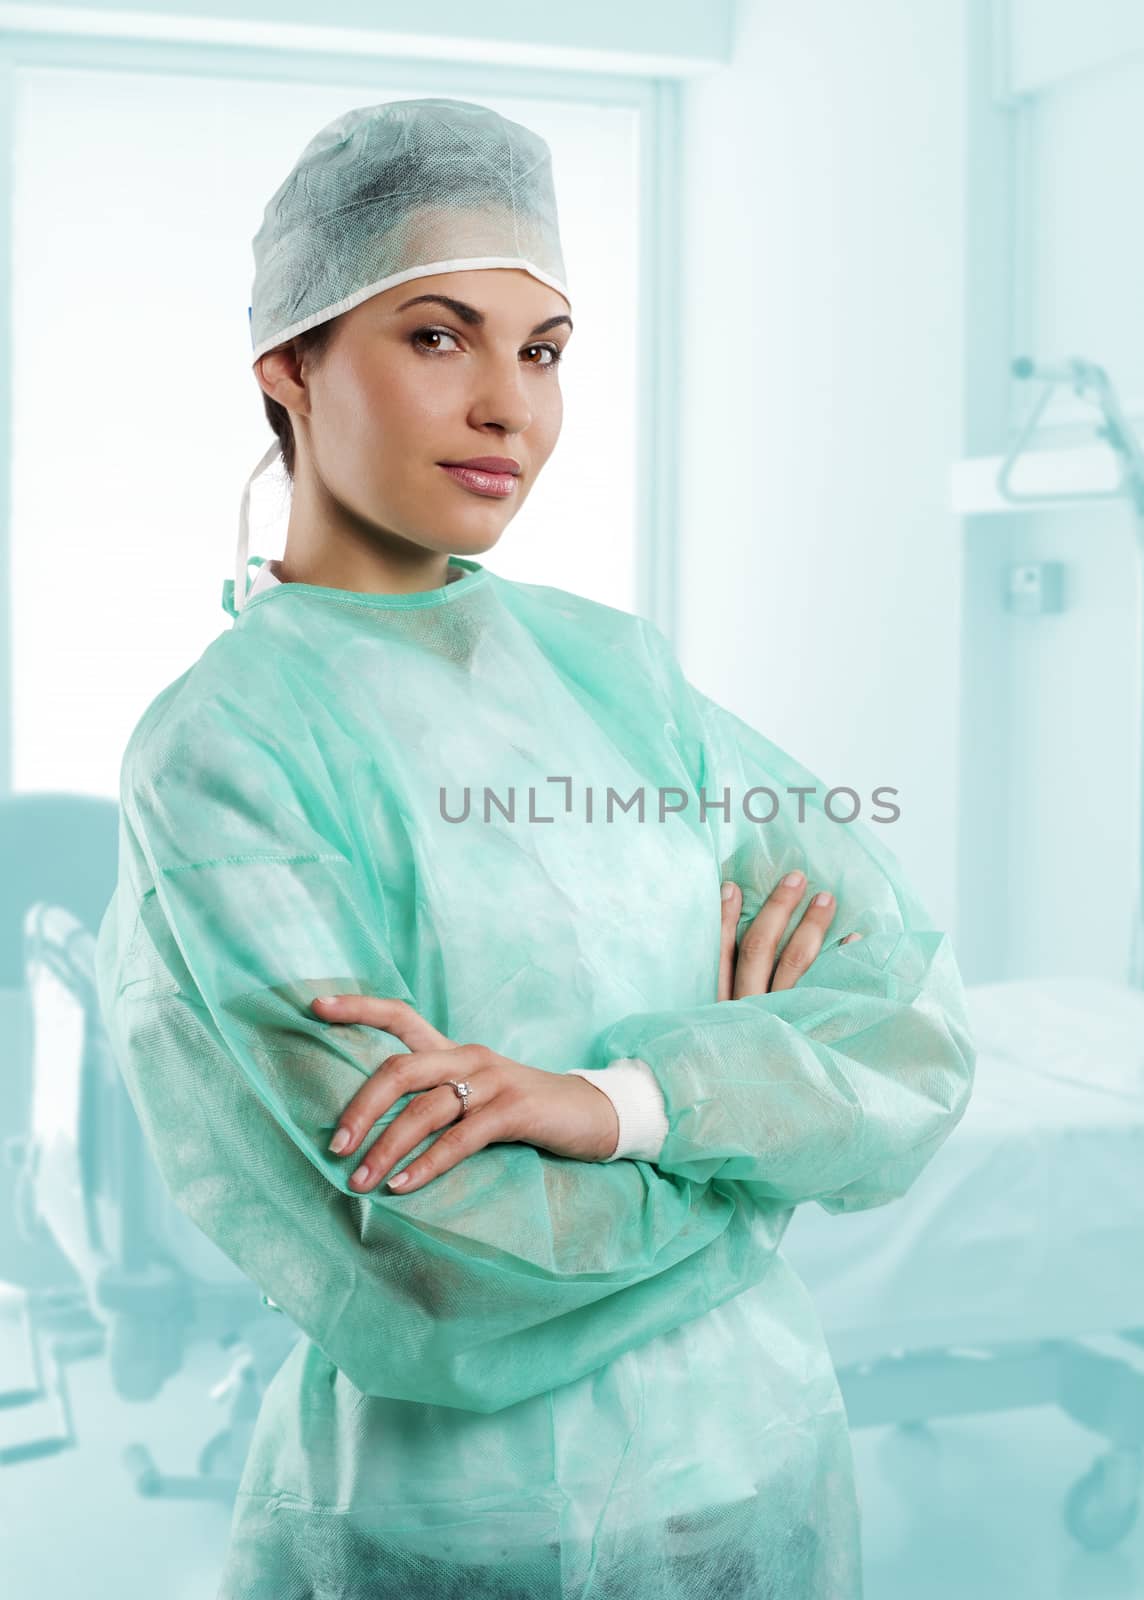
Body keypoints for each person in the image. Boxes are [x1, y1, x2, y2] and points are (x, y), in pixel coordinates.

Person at [95, 97, 976, 1599]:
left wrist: (604, 1104)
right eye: (439, 336)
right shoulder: (224, 752)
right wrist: (741, 1110)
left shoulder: (614, 674)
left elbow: (908, 1043)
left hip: (763, 1460)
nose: (511, 405)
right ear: (289, 367)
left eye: (545, 349)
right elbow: (437, 1262)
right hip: (461, 1525)